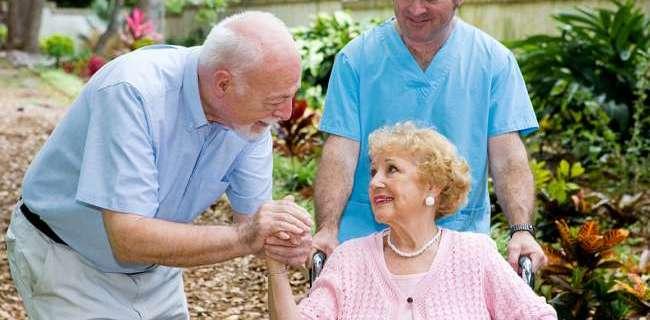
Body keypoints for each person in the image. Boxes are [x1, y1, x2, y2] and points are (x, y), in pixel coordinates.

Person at [5, 11, 312, 319]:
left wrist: (283, 240)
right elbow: (128, 238)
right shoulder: (133, 91)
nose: (286, 113)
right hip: (68, 258)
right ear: (223, 84)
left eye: (291, 96)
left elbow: (255, 228)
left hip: (155, 266)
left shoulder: (252, 121)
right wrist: (247, 237)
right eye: (275, 101)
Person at [312, 0, 547, 272]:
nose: (416, 9)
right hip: (366, 242)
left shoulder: (493, 61)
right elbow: (340, 152)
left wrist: (522, 230)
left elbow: (508, 158)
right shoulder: (356, 59)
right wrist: (327, 229)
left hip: (459, 245)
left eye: (430, 0)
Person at [267, 122, 557, 319]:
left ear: (432, 185)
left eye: (391, 170)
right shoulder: (350, 259)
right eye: (373, 172)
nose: (375, 182)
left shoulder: (475, 255)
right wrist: (276, 265)